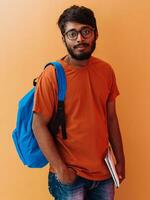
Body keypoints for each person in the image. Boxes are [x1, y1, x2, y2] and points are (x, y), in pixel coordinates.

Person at [32, 5, 125, 200]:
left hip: (104, 173)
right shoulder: (52, 75)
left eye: (85, 31)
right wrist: (60, 169)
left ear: (95, 34)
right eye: (72, 34)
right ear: (64, 38)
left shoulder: (106, 71)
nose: (80, 39)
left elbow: (111, 118)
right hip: (70, 175)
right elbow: (38, 124)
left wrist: (120, 160)